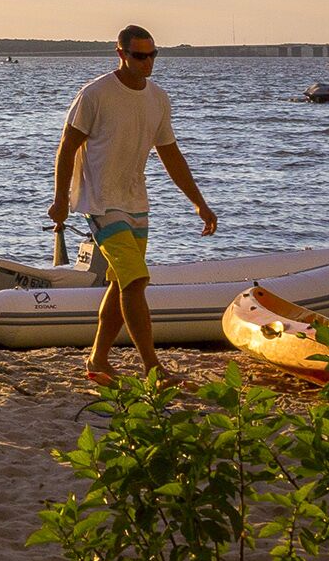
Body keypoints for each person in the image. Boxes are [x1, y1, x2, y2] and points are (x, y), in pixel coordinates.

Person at [49, 25, 217, 384]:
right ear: (121, 54)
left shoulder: (157, 98)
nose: (148, 62)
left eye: (153, 55)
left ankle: (97, 360)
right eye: (140, 55)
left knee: (122, 284)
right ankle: (152, 367)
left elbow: (170, 154)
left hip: (136, 201)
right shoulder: (95, 94)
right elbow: (67, 146)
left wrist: (199, 203)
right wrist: (60, 199)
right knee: (136, 280)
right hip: (100, 202)